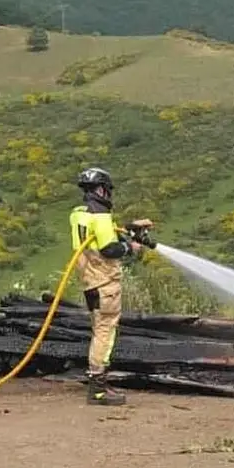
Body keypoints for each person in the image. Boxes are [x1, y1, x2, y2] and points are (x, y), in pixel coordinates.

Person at [69, 167, 153, 406]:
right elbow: (109, 249)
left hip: (89, 281)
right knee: (105, 331)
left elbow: (97, 237)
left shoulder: (78, 214)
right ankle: (98, 388)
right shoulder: (101, 216)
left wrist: (126, 227)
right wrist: (130, 248)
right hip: (105, 283)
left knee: (99, 329)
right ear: (103, 189)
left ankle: (97, 383)